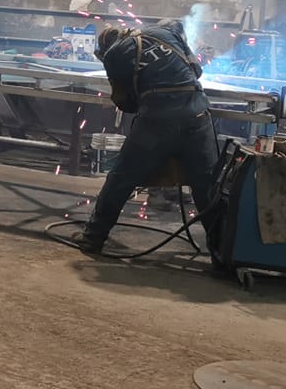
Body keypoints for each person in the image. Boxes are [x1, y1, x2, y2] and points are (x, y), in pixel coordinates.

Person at [73, 19, 222, 254]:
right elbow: (197, 70)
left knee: (121, 179)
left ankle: (93, 238)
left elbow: (126, 103)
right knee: (206, 188)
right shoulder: (164, 31)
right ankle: (222, 253)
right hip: (198, 117)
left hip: (156, 122)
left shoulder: (114, 55)